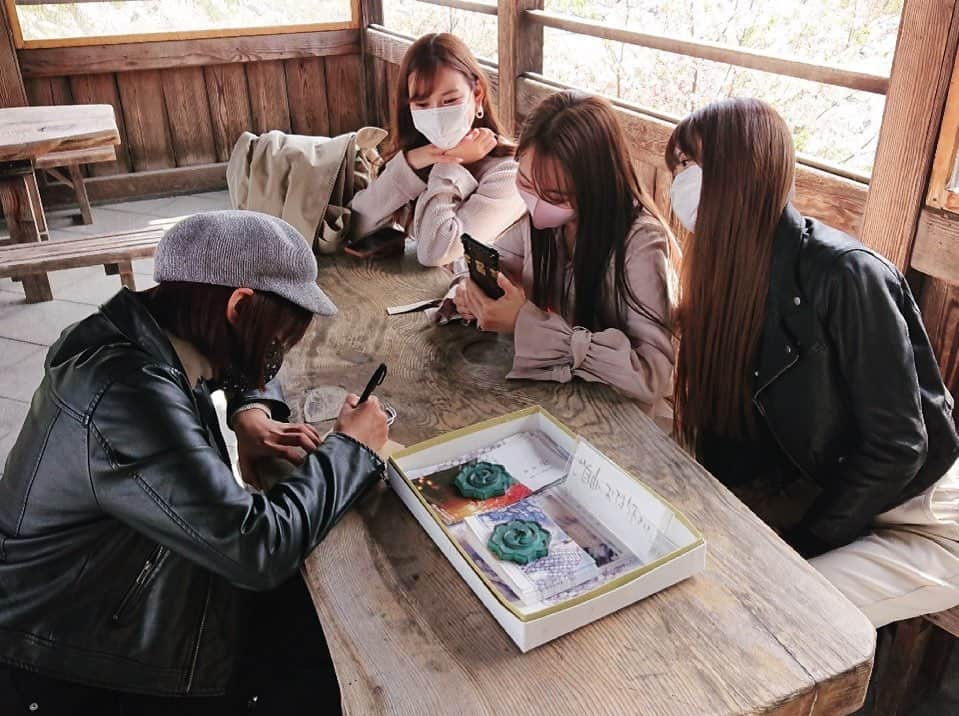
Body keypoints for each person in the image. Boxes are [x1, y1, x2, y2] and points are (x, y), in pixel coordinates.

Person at [0, 210, 390, 716]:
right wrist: (352, 449)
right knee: (324, 654)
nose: (281, 352)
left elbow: (230, 359)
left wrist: (249, 409)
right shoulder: (129, 394)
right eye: (281, 337)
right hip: (68, 661)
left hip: (113, 589)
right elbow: (256, 547)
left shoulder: (147, 330)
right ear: (239, 305)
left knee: (312, 610)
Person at [667, 97, 959, 627]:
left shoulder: (844, 274)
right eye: (678, 167)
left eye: (695, 165)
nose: (682, 181)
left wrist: (803, 543)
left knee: (776, 614)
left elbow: (900, 446)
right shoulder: (727, 273)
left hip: (923, 515)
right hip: (830, 491)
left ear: (748, 170)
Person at [453, 91, 677, 417]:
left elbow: (652, 377)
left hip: (625, 420)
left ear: (594, 186)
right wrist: (470, 290)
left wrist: (525, 323)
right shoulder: (544, 225)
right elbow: (488, 261)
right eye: (526, 182)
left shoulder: (640, 243)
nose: (536, 202)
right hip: (561, 399)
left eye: (555, 195)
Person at [349, 32, 526, 267]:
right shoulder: (421, 157)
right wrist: (411, 162)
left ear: (477, 94)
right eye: (422, 104)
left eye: (450, 101)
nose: (436, 114)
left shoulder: (509, 174)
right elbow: (357, 222)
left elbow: (435, 251)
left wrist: (451, 162)